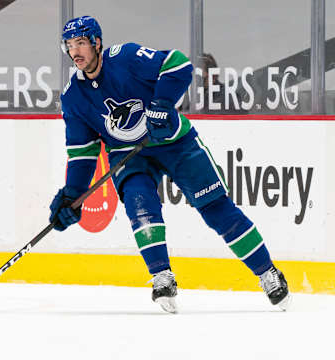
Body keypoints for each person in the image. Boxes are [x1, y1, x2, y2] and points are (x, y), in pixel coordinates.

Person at [49, 15, 289, 313]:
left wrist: (161, 104)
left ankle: (268, 273)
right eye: (70, 46)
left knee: (216, 209)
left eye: (81, 43)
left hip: (176, 143)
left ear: (97, 42)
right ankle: (162, 277)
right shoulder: (73, 96)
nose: (75, 52)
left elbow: (177, 64)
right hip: (128, 155)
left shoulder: (125, 57)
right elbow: (82, 153)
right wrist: (73, 195)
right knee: (141, 208)